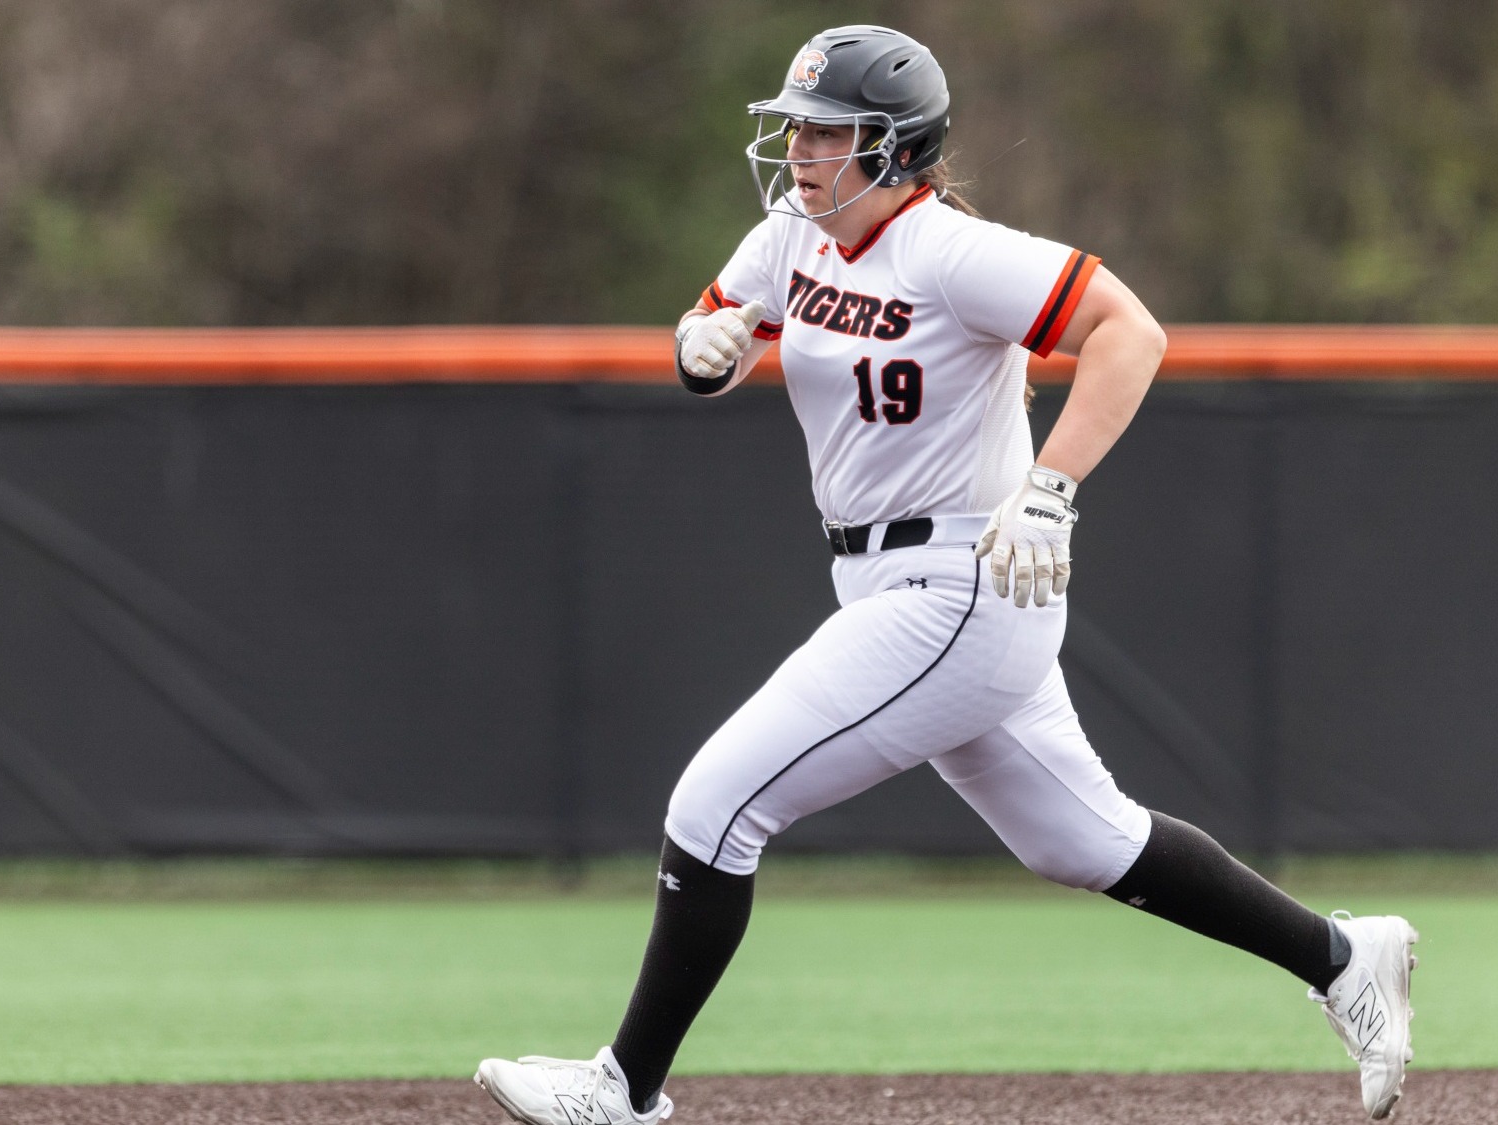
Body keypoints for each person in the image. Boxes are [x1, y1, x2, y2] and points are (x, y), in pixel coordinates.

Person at [474, 24, 1416, 1125]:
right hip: (883, 581)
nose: (800, 152)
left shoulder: (949, 253)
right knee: (1085, 840)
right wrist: (702, 348)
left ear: (892, 148)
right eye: (796, 130)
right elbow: (716, 317)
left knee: (714, 805)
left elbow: (1130, 332)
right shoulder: (793, 232)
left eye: (826, 133)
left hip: (961, 582)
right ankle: (1344, 957)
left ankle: (620, 1090)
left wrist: (1051, 489)